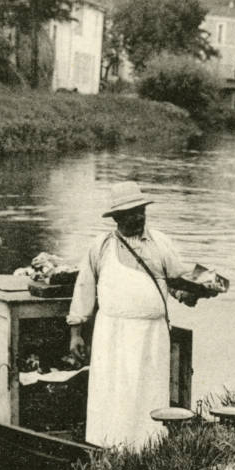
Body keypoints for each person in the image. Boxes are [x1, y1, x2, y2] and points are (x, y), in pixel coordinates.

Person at [67, 181, 202, 450]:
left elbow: (178, 282)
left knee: (148, 391)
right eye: (129, 213)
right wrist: (76, 332)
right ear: (116, 217)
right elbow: (84, 289)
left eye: (140, 211)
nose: (137, 217)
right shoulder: (101, 246)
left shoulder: (161, 242)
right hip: (112, 333)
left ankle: (147, 447)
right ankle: (107, 445)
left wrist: (195, 292)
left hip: (152, 335)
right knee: (114, 391)